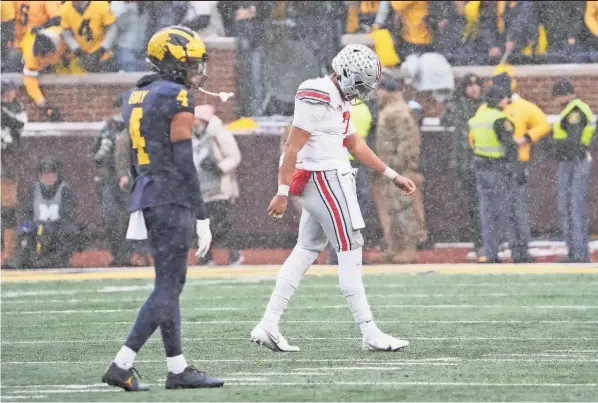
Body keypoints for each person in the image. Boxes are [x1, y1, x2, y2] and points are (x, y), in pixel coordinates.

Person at [250, 44, 416, 352]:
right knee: (351, 249)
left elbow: (355, 145)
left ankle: (268, 324)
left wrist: (392, 175)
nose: (363, 91)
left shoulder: (339, 98)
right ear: (347, 75)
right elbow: (293, 147)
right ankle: (369, 332)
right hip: (325, 180)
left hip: (329, 179)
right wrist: (282, 191)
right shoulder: (318, 92)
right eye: (362, 84)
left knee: (307, 248)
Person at [101, 26, 223, 391]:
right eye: (190, 63)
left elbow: (136, 156)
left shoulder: (136, 95)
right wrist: (202, 214)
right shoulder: (176, 95)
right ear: (171, 62)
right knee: (169, 287)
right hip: (171, 195)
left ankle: (177, 367)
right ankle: (122, 363)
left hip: (149, 193)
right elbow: (184, 160)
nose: (196, 70)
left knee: (166, 285)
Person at [490, 71, 551, 263]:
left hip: (516, 162)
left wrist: (526, 138)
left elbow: (543, 124)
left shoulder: (523, 107)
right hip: (495, 163)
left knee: (517, 207)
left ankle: (520, 248)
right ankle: (504, 245)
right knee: (502, 207)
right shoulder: (490, 108)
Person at [372, 68, 421, 264]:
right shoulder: (388, 110)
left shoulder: (398, 112)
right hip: (390, 170)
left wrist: (399, 168)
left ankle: (408, 249)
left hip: (398, 170)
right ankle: (395, 247)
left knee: (403, 209)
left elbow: (407, 142)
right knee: (393, 210)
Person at [468, 86, 518, 264]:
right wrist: (514, 168)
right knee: (502, 210)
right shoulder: (499, 119)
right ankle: (504, 249)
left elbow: (472, 143)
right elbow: (509, 146)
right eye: (504, 98)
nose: (507, 101)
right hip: (496, 167)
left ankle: (490, 252)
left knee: (486, 212)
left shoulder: (477, 118)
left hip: (480, 166)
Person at [192, 104, 243, 266]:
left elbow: (235, 157)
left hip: (219, 188)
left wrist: (218, 167)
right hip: (200, 188)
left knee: (221, 223)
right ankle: (206, 256)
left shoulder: (220, 135)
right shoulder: (193, 138)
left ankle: (234, 254)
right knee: (202, 224)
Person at [552, 80, 595, 263]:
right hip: (572, 160)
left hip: (574, 161)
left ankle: (578, 253)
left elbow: (573, 139)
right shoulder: (573, 109)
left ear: (566, 94)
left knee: (573, 208)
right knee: (570, 207)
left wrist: (555, 148)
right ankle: (575, 252)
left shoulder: (574, 110)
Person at [442, 73, 484, 260]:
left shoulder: (484, 106)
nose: (474, 90)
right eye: (470, 86)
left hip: (481, 161)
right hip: (463, 162)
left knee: (486, 205)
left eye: (476, 86)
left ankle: (488, 242)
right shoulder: (458, 105)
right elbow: (445, 120)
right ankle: (479, 242)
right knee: (473, 205)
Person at [92, 93, 130, 267]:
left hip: (129, 179)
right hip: (110, 178)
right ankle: (118, 254)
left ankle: (129, 255)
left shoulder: (132, 128)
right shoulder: (107, 129)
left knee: (128, 218)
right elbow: (96, 155)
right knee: (111, 218)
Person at [20, 158, 78, 269]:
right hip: (36, 232)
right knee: (23, 232)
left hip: (57, 232)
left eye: (51, 173)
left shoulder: (65, 190)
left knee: (70, 231)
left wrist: (51, 229)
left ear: (57, 175)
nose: (48, 177)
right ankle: (33, 260)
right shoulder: (33, 190)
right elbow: (26, 214)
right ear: (39, 175)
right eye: (45, 174)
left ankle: (58, 259)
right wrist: (26, 235)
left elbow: (69, 217)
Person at [1, 80, 27, 269]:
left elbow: (19, 123)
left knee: (8, 209)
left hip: (6, 165)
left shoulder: (16, 108)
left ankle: (10, 253)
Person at [60, 1, 118, 72]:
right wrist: (77, 49)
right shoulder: (65, 8)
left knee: (107, 79)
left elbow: (112, 27)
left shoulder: (101, 4)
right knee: (84, 81)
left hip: (104, 56)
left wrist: (103, 48)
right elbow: (66, 32)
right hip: (82, 57)